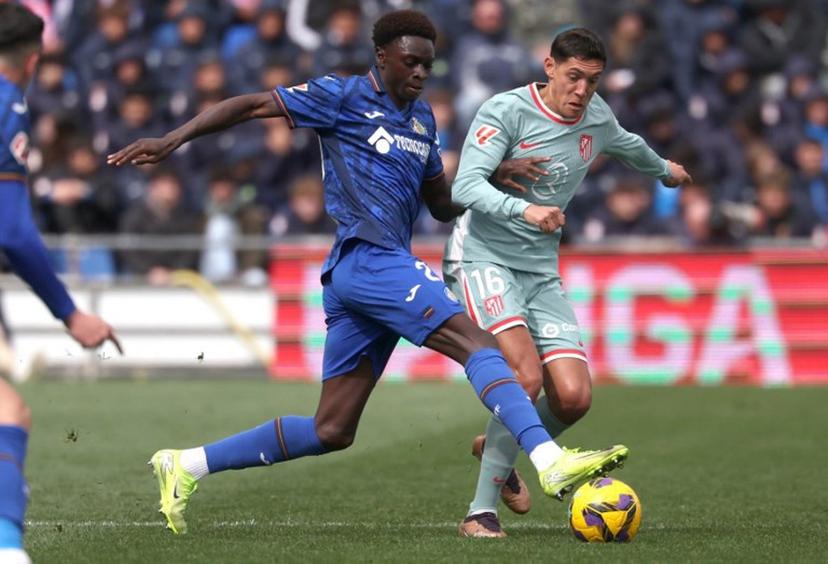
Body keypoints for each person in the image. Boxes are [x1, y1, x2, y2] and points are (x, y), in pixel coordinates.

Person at [108, 10, 627, 536]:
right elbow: (252, 104)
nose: (421, 73)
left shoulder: (423, 121)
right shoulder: (342, 95)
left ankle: (186, 464)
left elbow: (443, 206)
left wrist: (494, 171)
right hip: (369, 258)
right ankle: (546, 459)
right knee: (482, 347)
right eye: (410, 62)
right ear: (382, 57)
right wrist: (173, 139)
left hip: (367, 276)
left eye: (428, 64)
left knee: (332, 429)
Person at [443, 27, 692, 537]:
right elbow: (465, 185)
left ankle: (503, 443)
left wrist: (664, 170)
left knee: (574, 398)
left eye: (593, 81)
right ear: (549, 66)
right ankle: (479, 512)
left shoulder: (596, 118)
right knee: (524, 377)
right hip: (483, 257)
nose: (581, 90)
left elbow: (626, 144)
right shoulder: (505, 111)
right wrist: (525, 208)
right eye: (574, 76)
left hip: (539, 269)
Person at [0, 5, 121, 563]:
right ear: (33, 57)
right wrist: (70, 312)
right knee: (8, 417)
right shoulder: (7, 102)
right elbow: (13, 230)